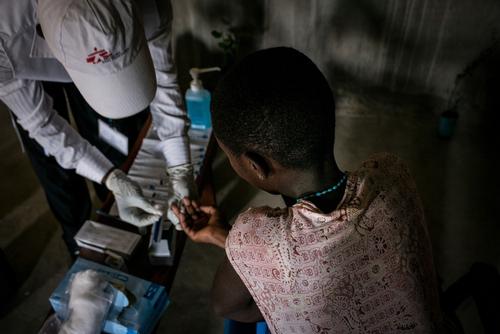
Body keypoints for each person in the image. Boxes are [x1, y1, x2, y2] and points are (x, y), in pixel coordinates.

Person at [172, 47, 451, 333]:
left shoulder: (254, 236)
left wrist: (273, 291)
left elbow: (227, 306)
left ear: (256, 165)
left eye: (229, 156)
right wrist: (223, 236)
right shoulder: (391, 174)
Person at [0, 0, 195, 255]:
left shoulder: (150, 6)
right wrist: (108, 176)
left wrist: (180, 168)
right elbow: (41, 122)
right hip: (21, 49)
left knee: (109, 132)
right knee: (52, 166)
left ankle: (116, 222)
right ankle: (77, 243)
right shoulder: (4, 37)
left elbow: (164, 84)